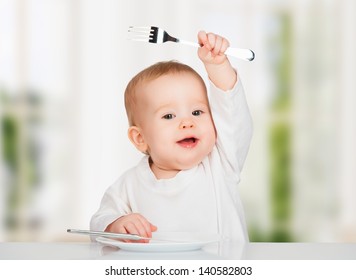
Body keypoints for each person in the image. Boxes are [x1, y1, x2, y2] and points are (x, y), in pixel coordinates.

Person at [90, 31, 253, 243]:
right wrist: (117, 224)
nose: (187, 122)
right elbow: (99, 223)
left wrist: (218, 66)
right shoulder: (128, 185)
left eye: (197, 112)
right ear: (140, 138)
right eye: (169, 116)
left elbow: (234, 117)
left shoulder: (221, 164)